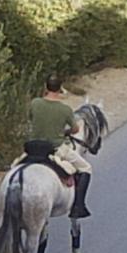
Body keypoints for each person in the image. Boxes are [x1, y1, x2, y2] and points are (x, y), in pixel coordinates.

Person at [28, 74, 92, 218]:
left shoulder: (35, 103)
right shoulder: (65, 109)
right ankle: (78, 206)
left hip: (33, 147)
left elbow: (32, 119)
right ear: (60, 89)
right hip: (56, 148)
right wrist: (64, 131)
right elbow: (75, 130)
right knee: (86, 168)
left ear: (46, 87)